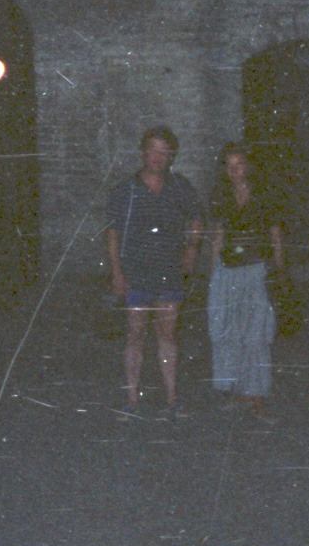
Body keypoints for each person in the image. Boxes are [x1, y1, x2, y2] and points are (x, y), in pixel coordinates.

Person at [102, 126, 203, 417]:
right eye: (153, 149)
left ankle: (172, 399)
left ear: (171, 155)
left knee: (167, 334)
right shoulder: (126, 190)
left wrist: (192, 250)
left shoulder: (180, 186)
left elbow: (197, 218)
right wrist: (117, 274)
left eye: (164, 150)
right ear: (143, 153)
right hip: (136, 273)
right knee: (135, 334)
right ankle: (132, 399)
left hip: (169, 272)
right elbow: (113, 234)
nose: (158, 156)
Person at [206, 142, 285, 423]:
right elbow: (218, 235)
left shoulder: (264, 195)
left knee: (256, 334)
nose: (234, 171)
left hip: (256, 270)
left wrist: (278, 269)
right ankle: (240, 391)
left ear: (248, 166)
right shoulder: (222, 195)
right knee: (230, 331)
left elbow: (275, 233)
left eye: (239, 164)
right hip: (229, 270)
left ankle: (258, 397)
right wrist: (213, 272)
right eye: (229, 165)